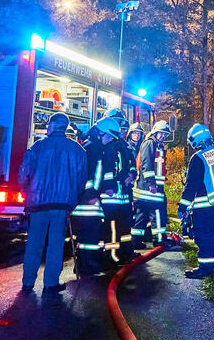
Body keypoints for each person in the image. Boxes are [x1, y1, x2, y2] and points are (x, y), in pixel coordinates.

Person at [19, 113, 87, 294]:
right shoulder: (78, 150)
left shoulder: (38, 147)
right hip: (62, 205)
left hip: (38, 203)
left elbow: (24, 172)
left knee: (34, 242)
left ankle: (27, 282)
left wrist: (25, 191)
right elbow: (82, 180)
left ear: (51, 127)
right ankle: (51, 283)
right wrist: (73, 198)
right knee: (56, 243)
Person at [178, 123, 214, 278]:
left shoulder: (198, 158)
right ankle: (210, 265)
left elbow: (191, 186)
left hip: (204, 204)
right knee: (211, 235)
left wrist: (182, 207)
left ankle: (204, 270)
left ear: (195, 139)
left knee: (203, 237)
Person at [70, 118, 117, 276]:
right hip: (86, 201)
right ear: (100, 133)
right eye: (108, 136)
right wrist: (90, 194)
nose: (110, 140)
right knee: (89, 235)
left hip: (89, 198)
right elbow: (88, 175)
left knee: (90, 234)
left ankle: (88, 264)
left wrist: (105, 188)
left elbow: (98, 175)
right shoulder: (92, 149)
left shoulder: (94, 147)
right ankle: (87, 266)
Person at [102, 117, 136, 263]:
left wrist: (132, 175)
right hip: (110, 196)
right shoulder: (109, 146)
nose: (122, 132)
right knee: (109, 228)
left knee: (126, 226)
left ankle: (126, 253)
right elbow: (109, 169)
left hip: (124, 195)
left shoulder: (125, 146)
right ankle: (108, 258)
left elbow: (131, 164)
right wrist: (122, 178)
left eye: (124, 130)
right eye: (121, 129)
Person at [134, 120, 172, 248]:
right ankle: (159, 241)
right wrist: (152, 183)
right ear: (155, 132)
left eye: (165, 134)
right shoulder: (150, 143)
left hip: (146, 189)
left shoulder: (156, 145)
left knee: (141, 216)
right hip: (150, 189)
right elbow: (146, 165)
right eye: (161, 133)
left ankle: (135, 242)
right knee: (157, 214)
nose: (163, 136)